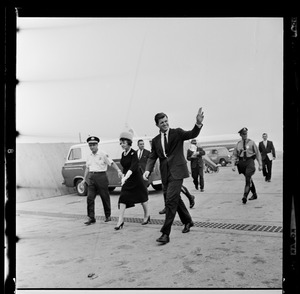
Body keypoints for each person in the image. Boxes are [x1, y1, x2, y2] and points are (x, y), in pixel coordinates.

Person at [143, 108, 204, 244]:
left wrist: (198, 124)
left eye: (166, 121)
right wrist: (147, 170)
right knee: (176, 200)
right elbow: (152, 157)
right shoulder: (156, 140)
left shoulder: (177, 133)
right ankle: (188, 221)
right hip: (166, 174)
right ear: (157, 125)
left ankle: (165, 233)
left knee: (170, 201)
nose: (165, 124)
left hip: (178, 172)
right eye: (162, 122)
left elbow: (192, 133)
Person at [81, 136, 123, 225]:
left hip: (101, 177)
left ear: (97, 145)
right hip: (92, 177)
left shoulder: (103, 154)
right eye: (90, 145)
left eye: (93, 145)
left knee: (105, 197)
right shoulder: (89, 156)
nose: (92, 147)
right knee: (90, 198)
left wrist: (118, 170)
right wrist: (84, 178)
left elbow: (111, 163)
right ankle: (91, 217)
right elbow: (87, 168)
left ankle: (108, 215)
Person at [115, 131, 150, 230]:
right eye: (121, 143)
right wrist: (123, 176)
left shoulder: (133, 153)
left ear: (129, 142)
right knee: (123, 198)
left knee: (142, 198)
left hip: (136, 179)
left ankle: (147, 215)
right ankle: (120, 220)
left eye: (124, 142)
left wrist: (125, 177)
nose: (122, 145)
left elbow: (133, 166)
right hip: (127, 179)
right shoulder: (123, 154)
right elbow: (125, 167)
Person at [231, 128, 262, 204]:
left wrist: (260, 164)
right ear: (241, 135)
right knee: (249, 178)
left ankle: (245, 196)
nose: (245, 135)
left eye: (246, 134)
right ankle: (254, 194)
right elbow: (234, 155)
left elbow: (257, 153)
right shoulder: (238, 144)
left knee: (248, 178)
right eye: (243, 134)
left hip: (250, 162)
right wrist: (233, 165)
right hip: (242, 163)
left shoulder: (251, 143)